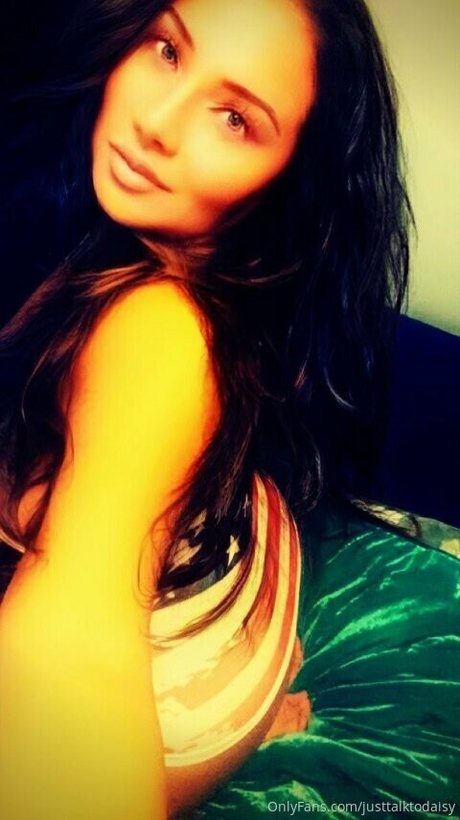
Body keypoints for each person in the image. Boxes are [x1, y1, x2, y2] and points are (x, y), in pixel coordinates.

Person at [0, 1, 458, 818]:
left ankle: (252, 726)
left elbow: (75, 642)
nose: (157, 123)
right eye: (167, 49)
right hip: (247, 599)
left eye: (235, 119)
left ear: (288, 177)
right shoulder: (200, 268)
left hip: (188, 701)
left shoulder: (158, 329)